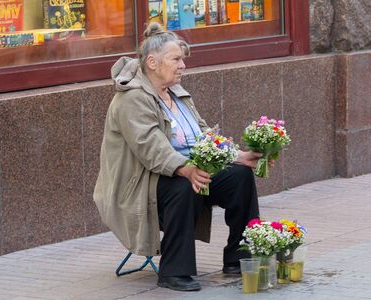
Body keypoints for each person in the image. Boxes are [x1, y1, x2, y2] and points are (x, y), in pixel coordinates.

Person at [93, 23, 263, 292]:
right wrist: (186, 168)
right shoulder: (132, 98)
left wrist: (238, 155)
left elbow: (204, 134)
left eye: (182, 59)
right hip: (141, 185)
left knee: (239, 176)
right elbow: (150, 147)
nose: (183, 65)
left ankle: (239, 258)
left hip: (182, 171)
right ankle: (174, 272)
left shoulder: (176, 94)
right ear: (152, 62)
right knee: (183, 186)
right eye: (176, 59)